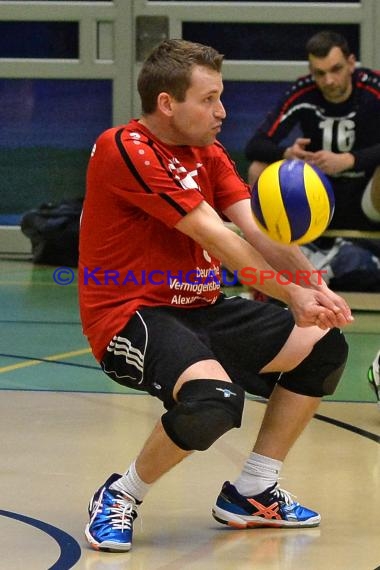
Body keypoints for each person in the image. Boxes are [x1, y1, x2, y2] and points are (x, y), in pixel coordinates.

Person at [78, 39, 353, 553]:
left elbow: (259, 230)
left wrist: (316, 288)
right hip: (130, 316)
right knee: (214, 402)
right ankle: (121, 493)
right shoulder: (126, 148)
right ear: (167, 103)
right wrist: (291, 296)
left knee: (324, 343)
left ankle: (253, 490)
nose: (221, 111)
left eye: (220, 97)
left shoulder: (209, 152)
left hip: (202, 309)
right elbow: (219, 238)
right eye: (208, 100)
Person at [245, 30, 380, 231]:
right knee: (259, 168)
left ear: (351, 63)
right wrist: (288, 154)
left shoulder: (373, 87)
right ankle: (267, 250)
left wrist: (349, 160)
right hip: (315, 195)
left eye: (336, 69)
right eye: (320, 73)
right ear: (311, 71)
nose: (329, 81)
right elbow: (255, 146)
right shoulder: (303, 92)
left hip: (368, 196)